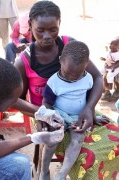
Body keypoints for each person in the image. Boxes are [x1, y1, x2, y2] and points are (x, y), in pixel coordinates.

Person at [12, 1, 119, 179]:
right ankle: (45, 171)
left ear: (60, 23)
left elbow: (98, 77)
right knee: (88, 158)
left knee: (114, 138)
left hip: (80, 110)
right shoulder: (23, 62)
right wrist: (43, 115)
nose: (47, 36)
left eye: (53, 29)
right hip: (43, 114)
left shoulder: (71, 46)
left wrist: (89, 108)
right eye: (40, 30)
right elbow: (16, 100)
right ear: (30, 25)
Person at [35, 40, 93, 179]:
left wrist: (92, 115)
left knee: (78, 139)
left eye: (77, 74)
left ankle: (61, 174)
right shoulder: (54, 81)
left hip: (77, 117)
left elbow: (90, 102)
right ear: (61, 60)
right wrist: (50, 118)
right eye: (68, 73)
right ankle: (44, 170)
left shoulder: (88, 79)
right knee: (52, 140)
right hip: (58, 115)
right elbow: (46, 103)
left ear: (87, 64)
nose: (72, 77)